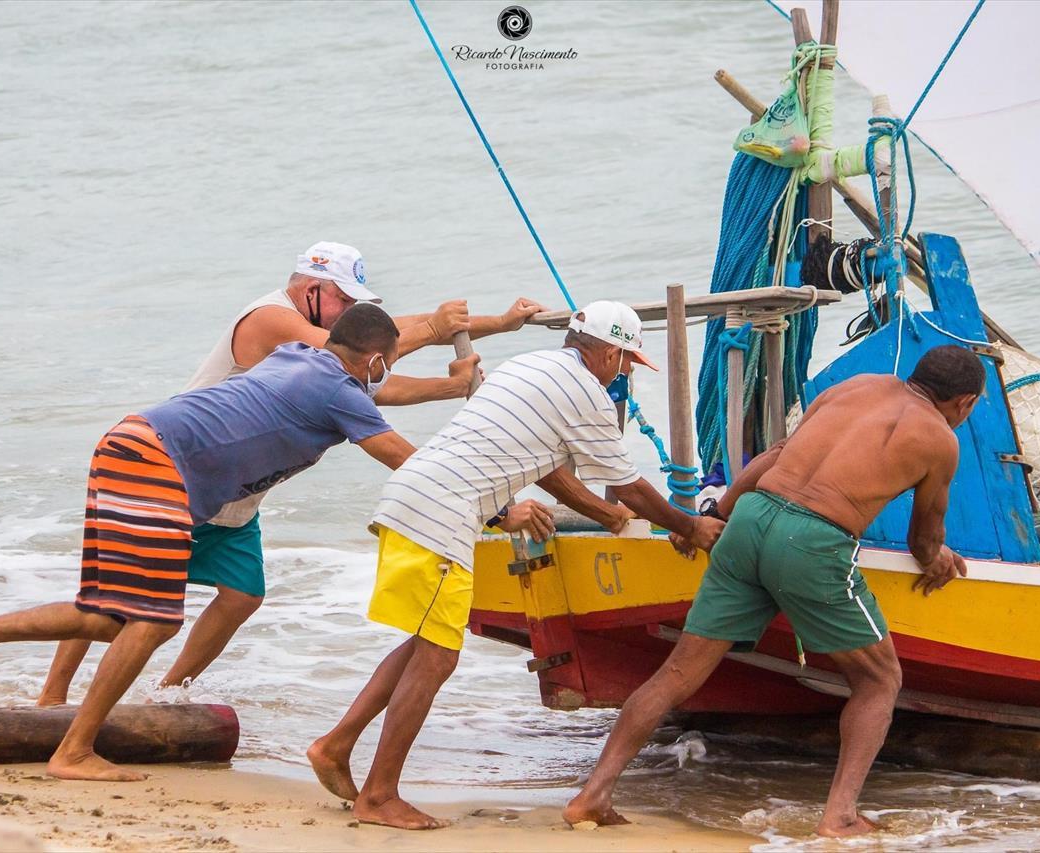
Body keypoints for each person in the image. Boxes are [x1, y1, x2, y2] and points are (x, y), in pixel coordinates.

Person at [36, 241, 546, 705]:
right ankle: (54, 696)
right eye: (343, 300)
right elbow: (362, 357)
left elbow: (373, 353)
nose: (349, 312)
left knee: (241, 596)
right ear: (312, 288)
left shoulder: (334, 353)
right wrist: (437, 335)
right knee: (119, 599)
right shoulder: (273, 322)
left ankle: (166, 696)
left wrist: (493, 326)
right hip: (183, 468)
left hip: (237, 490)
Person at [0, 305, 420, 782]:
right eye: (388, 365)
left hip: (131, 442)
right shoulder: (337, 388)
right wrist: (488, 501)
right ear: (375, 360)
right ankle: (73, 751)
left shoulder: (296, 356)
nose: (384, 376)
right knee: (154, 620)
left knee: (112, 615)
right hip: (156, 462)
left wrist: (458, 383)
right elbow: (404, 460)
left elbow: (359, 405)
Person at [308, 300, 727, 830]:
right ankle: (379, 796)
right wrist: (689, 527)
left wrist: (605, 516)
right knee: (437, 657)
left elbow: (548, 467)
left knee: (423, 640)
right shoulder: (587, 395)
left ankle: (335, 746)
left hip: (412, 497)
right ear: (608, 351)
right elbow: (630, 485)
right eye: (623, 361)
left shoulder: (529, 366)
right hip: (444, 514)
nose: (622, 372)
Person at [563, 344, 986, 837]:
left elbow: (776, 456)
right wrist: (938, 559)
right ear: (965, 405)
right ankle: (841, 816)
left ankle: (593, 795)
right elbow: (924, 538)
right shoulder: (940, 439)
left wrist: (716, 514)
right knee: (878, 681)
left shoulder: (854, 386)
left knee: (677, 672)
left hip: (752, 517)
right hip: (813, 540)